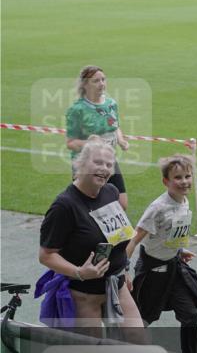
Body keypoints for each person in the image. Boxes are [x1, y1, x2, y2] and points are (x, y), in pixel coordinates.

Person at [37, 137, 143, 337]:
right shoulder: (64, 206)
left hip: (117, 286)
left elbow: (118, 239)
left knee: (139, 342)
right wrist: (79, 272)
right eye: (98, 162)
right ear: (81, 163)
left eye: (109, 165)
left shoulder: (111, 192)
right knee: (92, 351)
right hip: (84, 295)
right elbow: (46, 255)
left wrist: (124, 269)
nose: (104, 168)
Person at [126, 154, 197, 353]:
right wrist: (123, 270)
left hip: (174, 267)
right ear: (166, 181)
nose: (184, 181)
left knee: (190, 313)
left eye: (187, 176)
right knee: (144, 318)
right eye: (178, 177)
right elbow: (134, 240)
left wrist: (178, 250)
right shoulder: (158, 208)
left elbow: (170, 233)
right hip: (152, 270)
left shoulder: (184, 201)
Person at [66, 65, 130, 210]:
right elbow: (70, 143)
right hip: (87, 164)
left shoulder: (111, 104)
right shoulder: (77, 109)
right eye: (96, 81)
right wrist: (90, 143)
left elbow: (115, 126)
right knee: (91, 208)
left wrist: (121, 140)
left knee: (121, 204)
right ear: (85, 84)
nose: (101, 84)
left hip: (108, 160)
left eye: (103, 79)